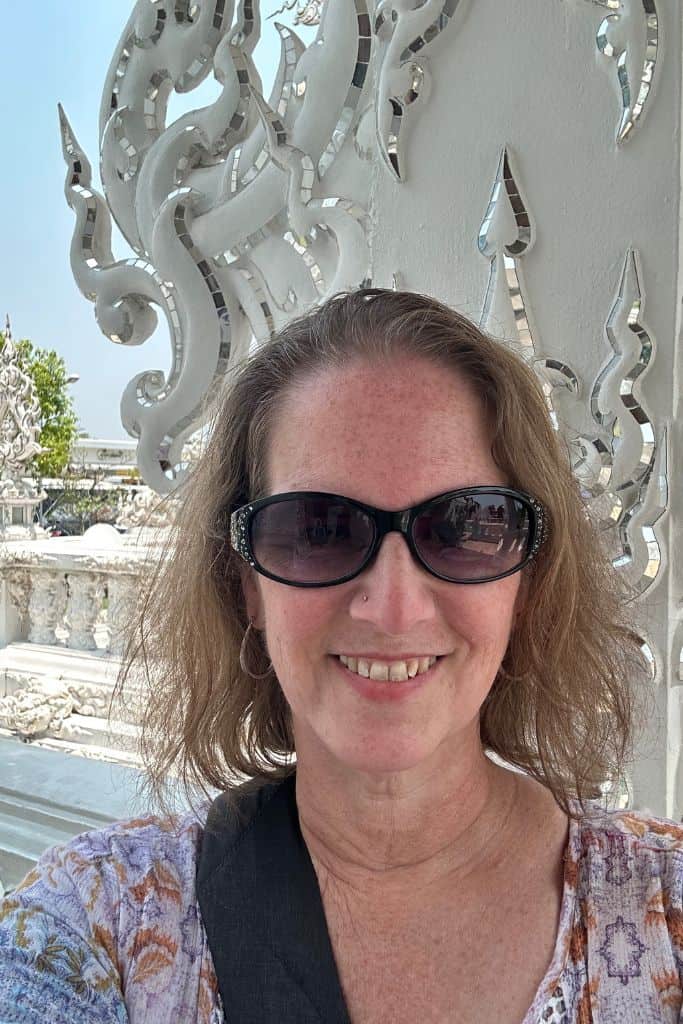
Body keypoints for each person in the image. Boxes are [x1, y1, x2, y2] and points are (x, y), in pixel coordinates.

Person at [1, 288, 681, 1024]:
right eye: (318, 529)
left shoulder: (665, 913)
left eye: (462, 525)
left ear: (525, 576)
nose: (392, 609)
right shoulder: (99, 923)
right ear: (246, 585)